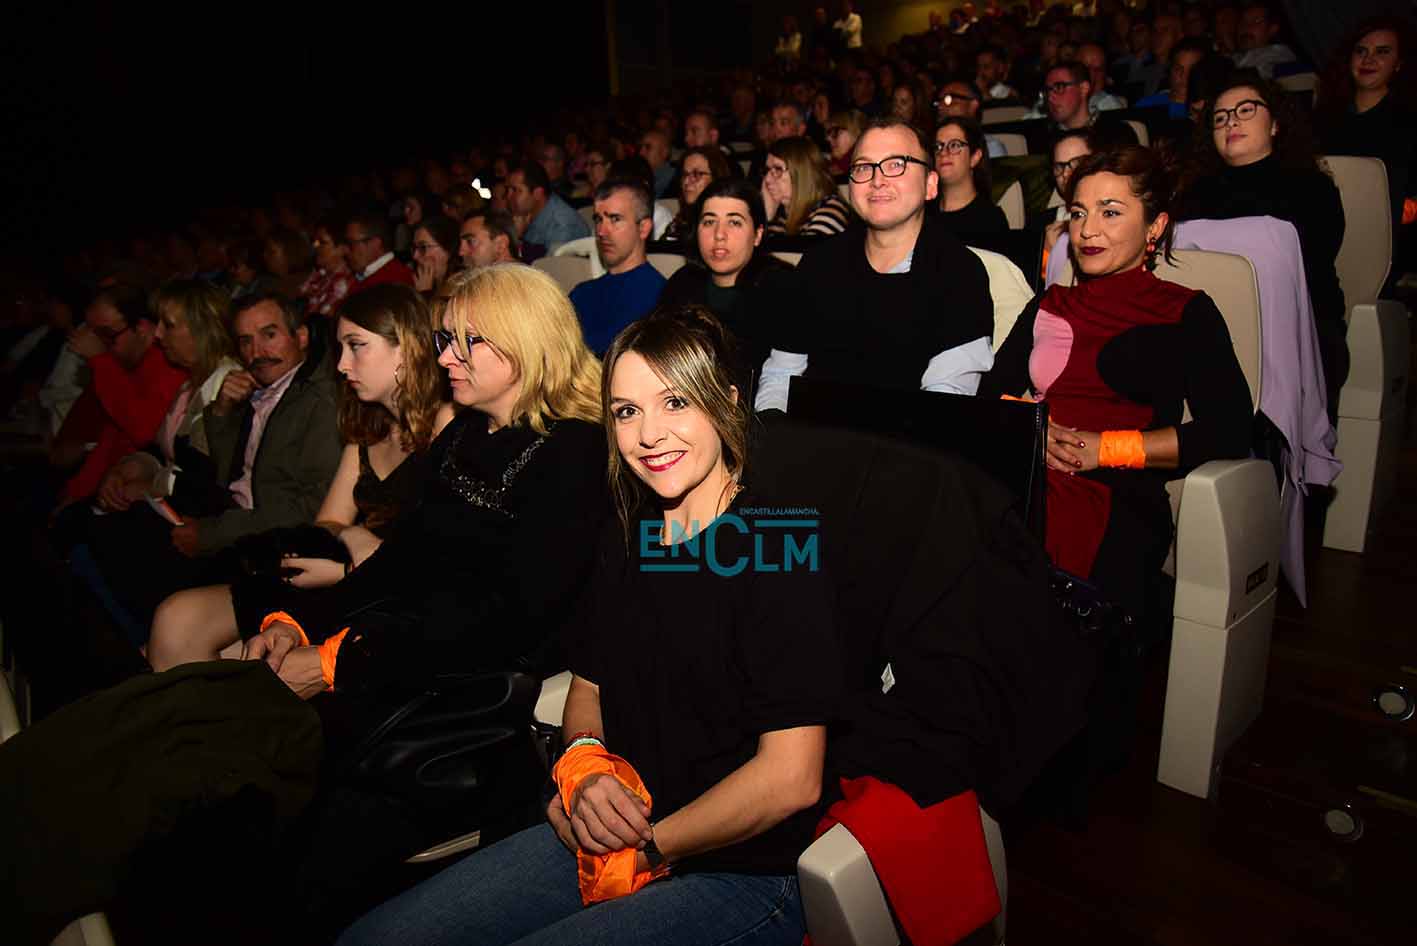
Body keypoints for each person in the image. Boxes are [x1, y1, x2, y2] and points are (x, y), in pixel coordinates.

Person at [338, 307, 840, 946]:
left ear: (728, 404)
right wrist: (582, 767)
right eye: (627, 411)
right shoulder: (630, 536)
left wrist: (652, 848)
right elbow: (589, 687)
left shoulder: (779, 548)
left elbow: (791, 779)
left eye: (675, 402)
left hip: (739, 869)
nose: (649, 434)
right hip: (609, 831)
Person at [982, 145, 1252, 615]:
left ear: (1155, 226)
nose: (1088, 230)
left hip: (1120, 494)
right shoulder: (1048, 305)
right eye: (1078, 213)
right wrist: (1034, 432)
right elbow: (988, 397)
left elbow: (1229, 428)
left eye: (1110, 212)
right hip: (1028, 476)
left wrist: (1104, 448)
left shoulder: (1184, 310)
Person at [146, 285, 453, 670]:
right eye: (340, 349)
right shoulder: (368, 432)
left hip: (394, 596)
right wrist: (354, 537)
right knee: (176, 618)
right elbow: (328, 522)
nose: (342, 365)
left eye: (357, 346)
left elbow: (444, 552)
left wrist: (348, 568)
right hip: (344, 573)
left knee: (220, 655)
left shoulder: (447, 424)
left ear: (407, 347)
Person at [75, 292, 342, 627]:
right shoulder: (262, 386)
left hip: (268, 546)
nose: (257, 352)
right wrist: (223, 411)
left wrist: (209, 534)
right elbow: (229, 469)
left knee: (120, 543)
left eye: (269, 335)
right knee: (103, 531)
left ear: (300, 337)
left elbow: (307, 509)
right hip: (235, 522)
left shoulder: (318, 401)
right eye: (246, 341)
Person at [755, 118, 994, 411]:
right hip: (813, 432)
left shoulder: (960, 273)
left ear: (930, 185)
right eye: (863, 168)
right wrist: (773, 427)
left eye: (896, 164)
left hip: (910, 436)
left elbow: (945, 404)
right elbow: (780, 376)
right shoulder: (818, 264)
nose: (877, 180)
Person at [1176, 70, 1349, 416]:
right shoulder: (1193, 194)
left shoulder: (1312, 188)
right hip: (1213, 325)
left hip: (1297, 328)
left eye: (1245, 110)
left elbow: (1308, 266)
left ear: (1275, 124)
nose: (1231, 122)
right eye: (1220, 117)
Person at [88, 280, 242, 522]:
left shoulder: (226, 385)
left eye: (168, 325)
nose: (158, 334)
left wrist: (148, 487)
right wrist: (124, 470)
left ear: (202, 331)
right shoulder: (189, 385)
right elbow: (162, 453)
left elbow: (203, 477)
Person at [57, 283, 189, 506]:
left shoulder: (167, 365)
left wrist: (101, 361)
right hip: (107, 486)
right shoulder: (126, 364)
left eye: (107, 334)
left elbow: (141, 430)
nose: (97, 343)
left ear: (143, 329)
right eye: (92, 332)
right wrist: (74, 493)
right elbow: (107, 440)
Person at [658, 178, 795, 387]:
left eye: (734, 222)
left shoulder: (781, 287)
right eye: (709, 222)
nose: (719, 235)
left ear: (757, 234)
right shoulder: (682, 283)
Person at [1316, 15, 1417, 237]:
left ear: (1399, 63)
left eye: (1382, 52)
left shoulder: (1408, 122)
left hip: (1391, 236)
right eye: (1361, 51)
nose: (1368, 60)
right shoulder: (1324, 118)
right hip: (1328, 229)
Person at [570, 177, 667, 354]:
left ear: (643, 228)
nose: (601, 231)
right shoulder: (581, 294)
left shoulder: (661, 297)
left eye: (615, 219)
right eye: (598, 219)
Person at [762, 136, 853, 238]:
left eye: (778, 169)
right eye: (767, 170)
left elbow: (809, 249)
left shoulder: (831, 210)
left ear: (802, 172)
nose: (767, 179)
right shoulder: (782, 214)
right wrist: (767, 217)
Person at [933, 118, 1008, 236]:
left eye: (954, 145)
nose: (943, 153)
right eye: (938, 146)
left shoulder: (990, 220)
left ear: (974, 157)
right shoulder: (922, 214)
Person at [507, 161, 591, 255]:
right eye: (508, 190)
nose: (509, 196)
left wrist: (519, 238)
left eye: (515, 190)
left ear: (537, 193)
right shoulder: (522, 215)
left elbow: (550, 264)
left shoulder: (562, 225)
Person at [663, 146, 732, 243]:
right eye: (685, 174)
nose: (686, 181)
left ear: (716, 178)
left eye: (697, 174)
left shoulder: (728, 225)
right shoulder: (679, 223)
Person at [1134, 37, 1212, 117]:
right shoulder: (1147, 105)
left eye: (1192, 70)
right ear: (1170, 70)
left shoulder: (1209, 110)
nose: (1184, 76)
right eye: (1178, 69)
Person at [934, 79, 1007, 157]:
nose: (940, 107)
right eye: (939, 102)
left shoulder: (990, 148)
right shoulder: (932, 147)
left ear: (973, 105)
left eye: (948, 99)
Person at [345, 212, 416, 293]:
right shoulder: (362, 275)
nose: (346, 250)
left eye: (351, 243)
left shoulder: (395, 280)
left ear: (375, 243)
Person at [299, 222, 356, 318]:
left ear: (341, 249)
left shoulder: (344, 282)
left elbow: (320, 318)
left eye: (322, 242)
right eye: (315, 241)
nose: (315, 246)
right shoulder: (319, 273)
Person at [1232, 2, 1297, 79]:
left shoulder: (1280, 58)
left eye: (1257, 21)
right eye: (1243, 22)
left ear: (1272, 29)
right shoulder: (1234, 58)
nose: (1246, 27)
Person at [1037, 61, 1095, 130]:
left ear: (1083, 88)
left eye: (1059, 87)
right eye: (1047, 91)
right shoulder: (1040, 132)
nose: (1050, 98)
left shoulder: (1105, 127)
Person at [411, 215, 460, 296]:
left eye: (423, 247)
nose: (415, 256)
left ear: (448, 250)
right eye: (414, 248)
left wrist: (425, 293)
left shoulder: (462, 289)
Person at [262, 228, 314, 301]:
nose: (264, 255)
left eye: (271, 252)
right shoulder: (269, 284)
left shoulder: (310, 283)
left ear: (290, 253)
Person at [1078, 44, 1126, 113]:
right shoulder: (1064, 99)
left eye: (1098, 70)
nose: (1091, 74)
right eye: (1086, 68)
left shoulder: (1108, 105)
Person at [825, 109, 868, 175]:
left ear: (855, 131)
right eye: (828, 132)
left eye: (835, 131)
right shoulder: (834, 167)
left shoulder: (863, 170)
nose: (828, 138)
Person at [638, 129, 676, 198]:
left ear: (664, 152)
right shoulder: (639, 174)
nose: (641, 152)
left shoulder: (673, 178)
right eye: (641, 147)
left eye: (648, 147)